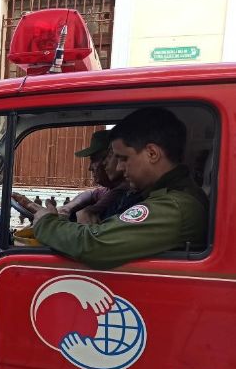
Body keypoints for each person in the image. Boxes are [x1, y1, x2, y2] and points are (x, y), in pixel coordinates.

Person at [28, 107, 208, 269]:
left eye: (124, 158)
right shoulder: (164, 196)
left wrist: (46, 223)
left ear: (152, 153)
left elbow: (95, 245)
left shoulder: (174, 207)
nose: (120, 168)